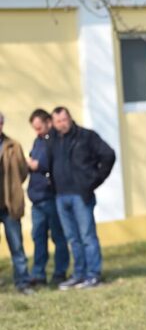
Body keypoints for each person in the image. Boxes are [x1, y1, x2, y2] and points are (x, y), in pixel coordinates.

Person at [49, 107, 115, 290]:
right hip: (61, 196)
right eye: (58, 121)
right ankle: (79, 274)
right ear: (53, 123)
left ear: (70, 118)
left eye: (64, 119)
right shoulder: (53, 140)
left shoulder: (86, 136)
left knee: (87, 236)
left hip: (81, 195)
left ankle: (93, 275)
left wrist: (95, 180)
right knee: (73, 238)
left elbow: (108, 155)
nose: (62, 123)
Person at [26, 109, 69, 286]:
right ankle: (38, 274)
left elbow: (43, 164)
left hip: (51, 197)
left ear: (48, 122)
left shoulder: (54, 141)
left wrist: (34, 164)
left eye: (39, 127)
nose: (37, 131)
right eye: (34, 128)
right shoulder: (38, 141)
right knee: (38, 237)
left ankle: (60, 272)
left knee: (58, 237)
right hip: (37, 200)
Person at [0, 111, 34, 295]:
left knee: (16, 246)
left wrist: (12, 188)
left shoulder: (13, 146)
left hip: (8, 204)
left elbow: (22, 171)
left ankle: (23, 282)